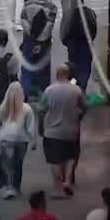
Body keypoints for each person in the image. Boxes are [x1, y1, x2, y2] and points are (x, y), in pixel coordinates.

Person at [40, 63, 85, 197]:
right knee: (71, 157)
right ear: (68, 74)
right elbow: (84, 106)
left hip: (52, 132)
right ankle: (67, 181)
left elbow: (42, 110)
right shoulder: (76, 90)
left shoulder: (49, 90)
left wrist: (40, 127)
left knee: (55, 161)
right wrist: (79, 117)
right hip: (71, 131)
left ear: (57, 75)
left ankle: (58, 188)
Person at [0, 82, 35, 200]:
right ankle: (16, 188)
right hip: (22, 140)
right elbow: (31, 126)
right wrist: (33, 141)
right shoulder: (26, 108)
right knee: (18, 164)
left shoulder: (3, 107)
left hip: (6, 139)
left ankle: (9, 188)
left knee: (7, 165)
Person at [20, 0, 57, 99]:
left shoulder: (27, 5)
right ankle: (43, 95)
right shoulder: (52, 7)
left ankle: (25, 94)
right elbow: (50, 25)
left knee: (27, 68)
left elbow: (23, 21)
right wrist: (41, 39)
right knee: (43, 69)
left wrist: (32, 35)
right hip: (44, 43)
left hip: (29, 41)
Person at [60, 0, 97, 92]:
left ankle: (74, 92)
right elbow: (94, 31)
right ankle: (81, 92)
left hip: (73, 47)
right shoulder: (91, 13)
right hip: (86, 46)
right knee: (85, 71)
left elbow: (63, 33)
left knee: (73, 71)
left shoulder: (68, 14)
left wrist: (67, 43)